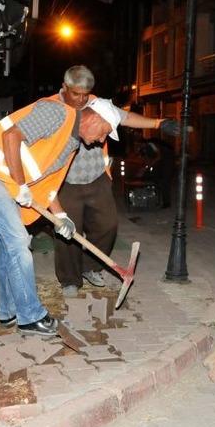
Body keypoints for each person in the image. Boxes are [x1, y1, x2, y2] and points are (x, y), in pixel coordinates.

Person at [0, 88, 115, 337]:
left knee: (7, 246)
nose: (102, 141)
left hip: (3, 180)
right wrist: (21, 185)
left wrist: (61, 216)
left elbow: (46, 184)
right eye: (104, 133)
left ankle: (8, 311)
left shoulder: (72, 145)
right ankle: (30, 316)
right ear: (94, 119)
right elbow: (11, 137)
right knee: (18, 242)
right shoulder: (56, 113)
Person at [54, 65, 181, 297]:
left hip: (97, 177)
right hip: (65, 182)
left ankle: (91, 267)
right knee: (68, 232)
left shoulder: (98, 104)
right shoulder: (52, 108)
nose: (82, 99)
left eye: (85, 94)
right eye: (76, 94)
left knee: (108, 225)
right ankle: (69, 279)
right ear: (64, 87)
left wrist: (158, 123)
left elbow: (126, 117)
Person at [140, 138, 176, 208]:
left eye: (139, 145)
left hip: (168, 161)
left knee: (165, 182)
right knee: (155, 178)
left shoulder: (151, 144)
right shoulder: (145, 148)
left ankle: (166, 203)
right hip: (162, 162)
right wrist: (145, 167)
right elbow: (147, 159)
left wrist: (149, 166)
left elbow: (158, 156)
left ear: (143, 143)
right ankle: (154, 198)